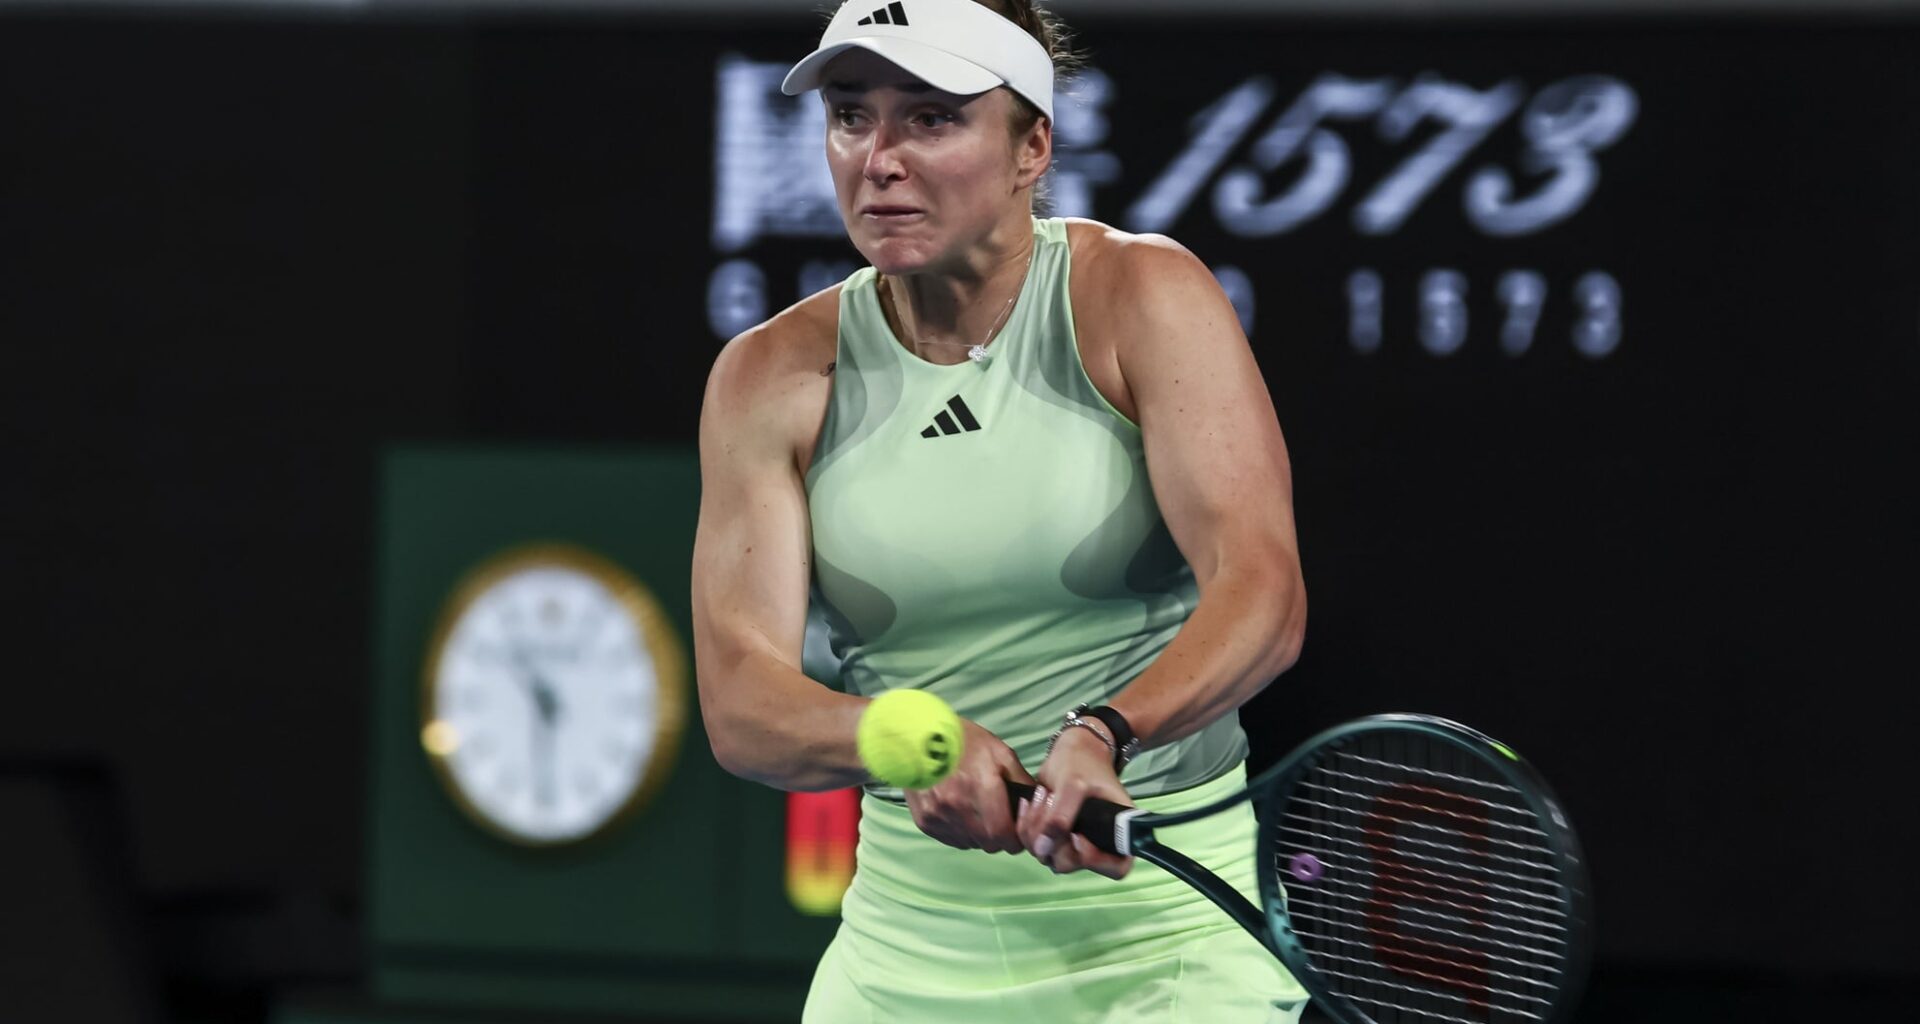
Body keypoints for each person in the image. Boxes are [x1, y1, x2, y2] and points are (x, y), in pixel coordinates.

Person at [690, 0, 1309, 1018]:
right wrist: (899, 733)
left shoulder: (1143, 297)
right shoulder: (768, 376)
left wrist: (1106, 731)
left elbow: (1263, 592)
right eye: (852, 115)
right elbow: (742, 702)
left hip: (1169, 944)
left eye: (930, 118)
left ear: (1033, 146)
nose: (878, 157)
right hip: (903, 961)